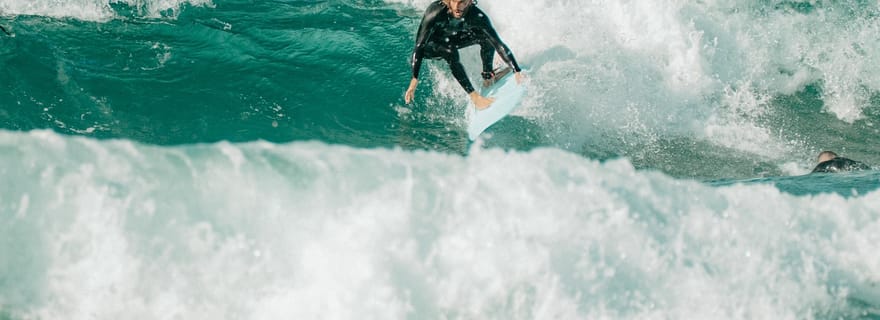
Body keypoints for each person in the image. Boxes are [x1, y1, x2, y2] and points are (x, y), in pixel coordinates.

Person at [404, 0, 524, 110]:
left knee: (486, 38)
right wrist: (414, 78)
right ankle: (475, 98)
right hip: (430, 47)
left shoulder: (476, 16)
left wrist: (516, 70)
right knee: (449, 50)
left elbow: (498, 43)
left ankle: (488, 76)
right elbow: (419, 46)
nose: (457, 7)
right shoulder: (436, 12)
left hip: (450, 39)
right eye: (455, 1)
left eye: (462, 2)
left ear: (470, 2)